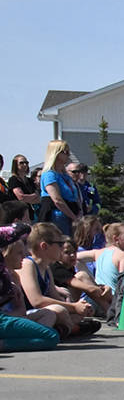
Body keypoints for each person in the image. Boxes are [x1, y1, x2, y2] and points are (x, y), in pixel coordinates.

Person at [16, 223, 99, 337]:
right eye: (59, 244)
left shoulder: (46, 268)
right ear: (44, 246)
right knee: (58, 310)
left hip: (39, 314)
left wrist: (79, 307)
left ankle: (64, 328)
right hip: (23, 315)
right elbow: (37, 301)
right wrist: (73, 307)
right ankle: (72, 329)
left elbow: (54, 296)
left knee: (74, 314)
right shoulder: (28, 264)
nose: (62, 247)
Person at [0, 223, 60, 351]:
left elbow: (20, 313)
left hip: (9, 319)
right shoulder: (3, 277)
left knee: (49, 315)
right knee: (51, 336)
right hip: (4, 320)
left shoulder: (14, 277)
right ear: (6, 254)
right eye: (19, 253)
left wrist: (20, 297)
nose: (23, 256)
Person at [39, 140, 80, 236]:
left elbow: (75, 196)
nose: (68, 155)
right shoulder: (49, 174)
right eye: (65, 152)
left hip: (72, 214)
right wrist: (73, 217)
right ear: (55, 154)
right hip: (58, 216)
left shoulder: (65, 175)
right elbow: (57, 199)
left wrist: (79, 212)